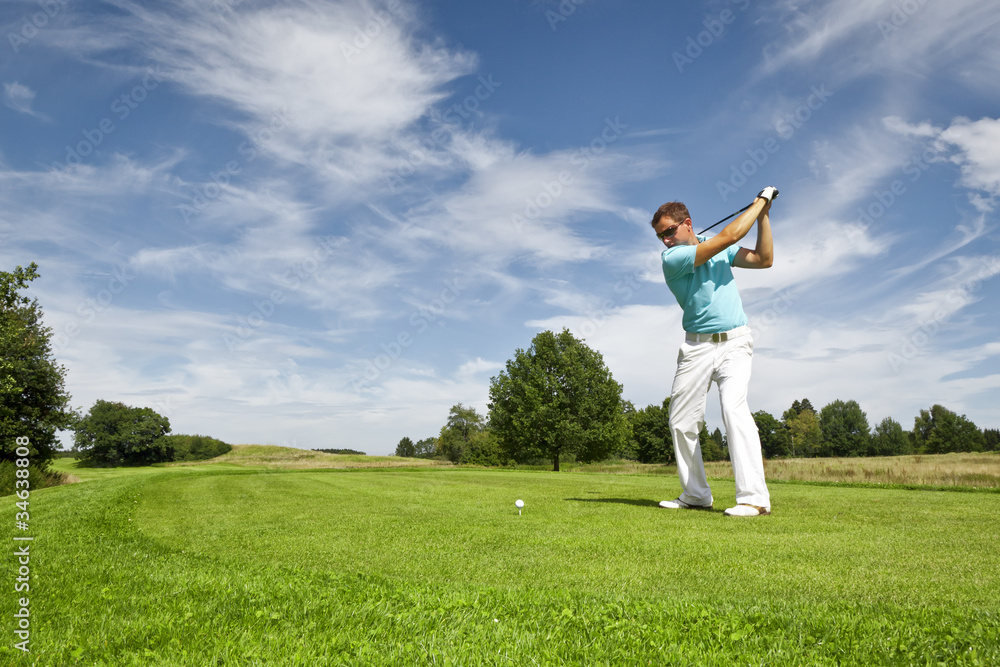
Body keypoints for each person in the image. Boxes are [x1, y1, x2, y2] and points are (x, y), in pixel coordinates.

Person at [652, 187, 778, 517]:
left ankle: (754, 499)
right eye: (660, 236)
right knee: (681, 421)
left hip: (735, 342)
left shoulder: (717, 247)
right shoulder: (672, 259)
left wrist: (763, 216)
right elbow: (730, 235)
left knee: (734, 409)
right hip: (696, 347)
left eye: (669, 231)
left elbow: (764, 260)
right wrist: (761, 201)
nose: (665, 240)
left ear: (687, 224)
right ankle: (695, 495)